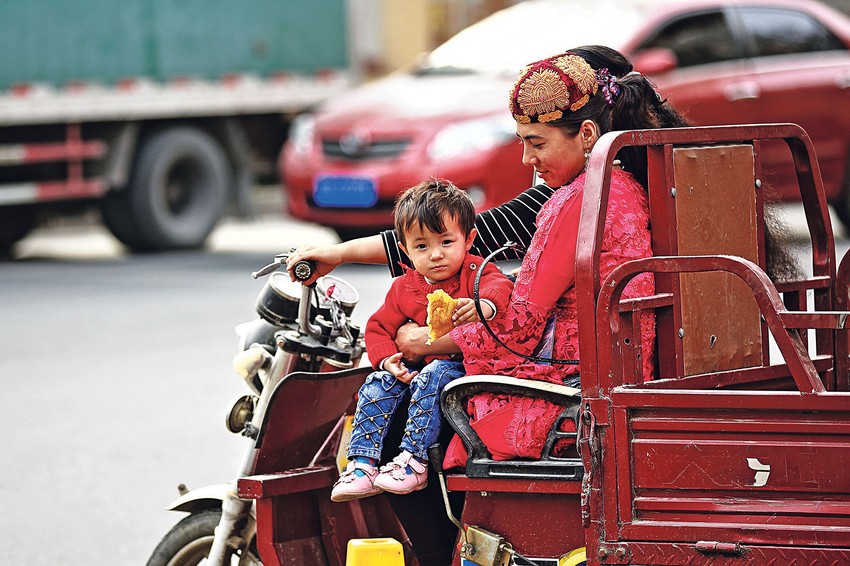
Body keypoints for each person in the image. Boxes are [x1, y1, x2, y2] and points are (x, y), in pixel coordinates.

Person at [330, 178, 513, 502]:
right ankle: (362, 465)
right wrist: (389, 360)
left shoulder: (476, 272)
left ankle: (413, 461)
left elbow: (500, 288)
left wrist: (484, 305)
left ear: (468, 239)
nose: (436, 255)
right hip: (413, 369)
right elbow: (378, 328)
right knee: (376, 383)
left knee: (433, 375)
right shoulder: (404, 287)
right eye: (422, 246)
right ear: (405, 249)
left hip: (459, 369)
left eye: (446, 242)